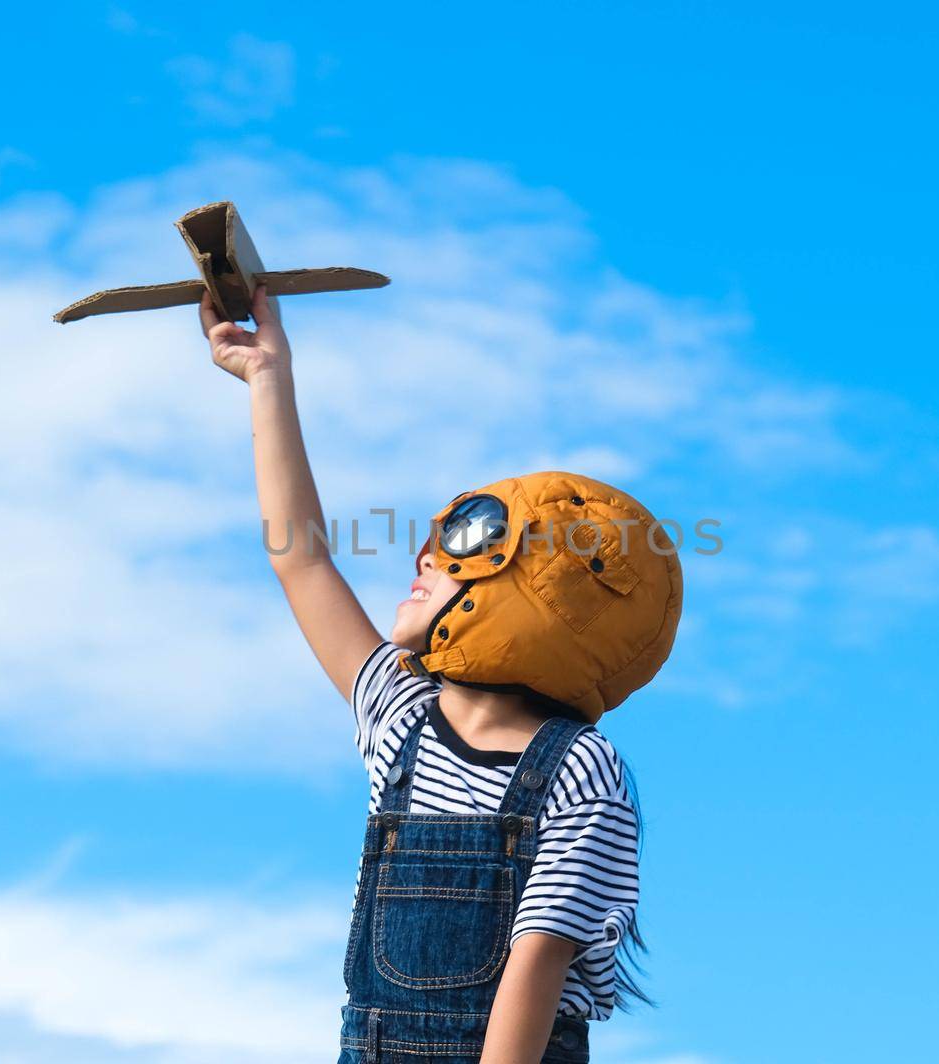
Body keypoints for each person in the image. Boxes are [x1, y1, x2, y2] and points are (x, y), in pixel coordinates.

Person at [201, 285, 682, 1063]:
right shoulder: (401, 717)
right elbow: (301, 557)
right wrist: (267, 376)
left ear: (541, 594)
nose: (426, 557)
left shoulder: (581, 772)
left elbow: (531, 982)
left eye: (470, 539)